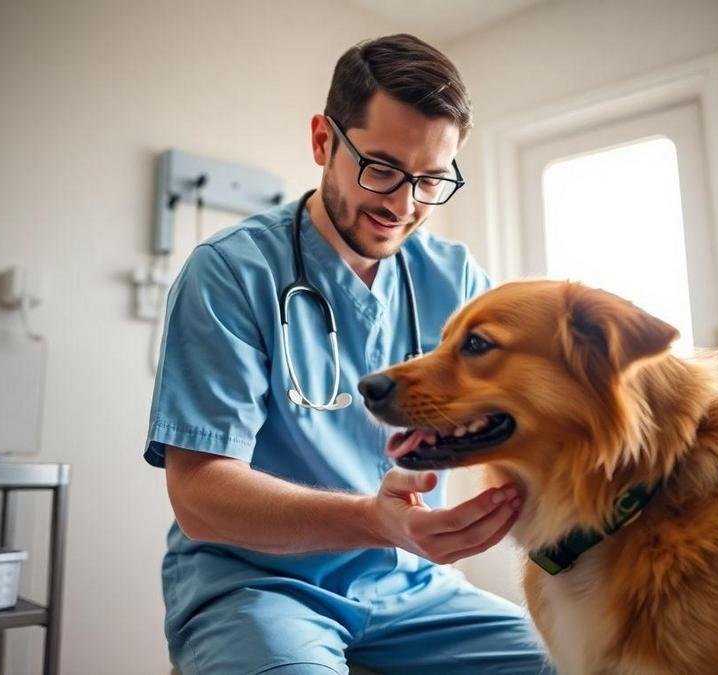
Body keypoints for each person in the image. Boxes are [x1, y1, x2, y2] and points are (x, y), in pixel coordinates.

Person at [143, 33, 553, 674]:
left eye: (431, 181)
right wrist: (375, 520)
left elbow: (518, 415)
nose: (403, 204)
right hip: (258, 587)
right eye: (382, 169)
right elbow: (199, 496)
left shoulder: (454, 279)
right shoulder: (232, 272)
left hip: (411, 588)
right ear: (323, 141)